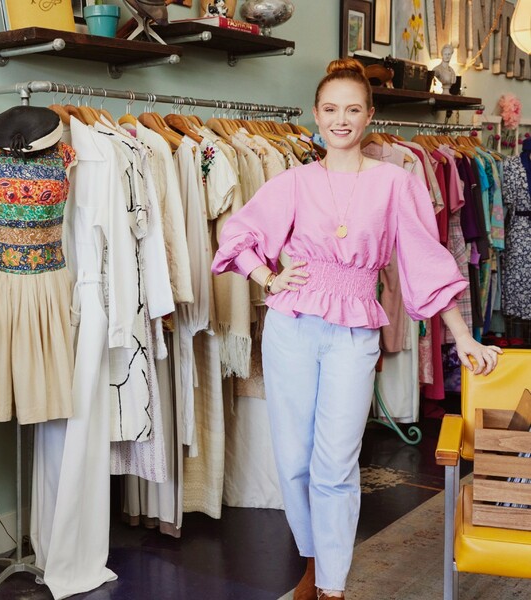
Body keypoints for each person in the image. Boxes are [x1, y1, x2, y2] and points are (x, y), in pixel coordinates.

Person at [211, 58, 501, 599]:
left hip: (352, 329)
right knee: (294, 461)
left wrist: (463, 337)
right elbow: (238, 234)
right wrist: (266, 278)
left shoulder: (396, 182)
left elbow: (424, 259)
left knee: (336, 460)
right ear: (315, 116)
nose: (340, 120)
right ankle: (314, 563)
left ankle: (334, 587)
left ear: (369, 116)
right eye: (330, 109)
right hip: (291, 324)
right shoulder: (293, 181)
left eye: (352, 109)